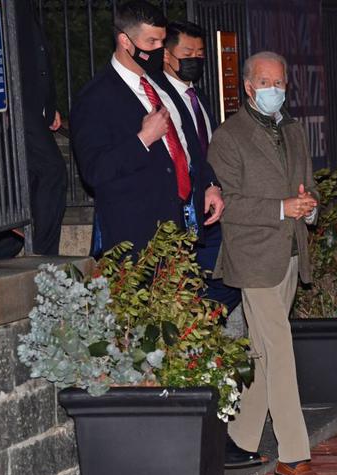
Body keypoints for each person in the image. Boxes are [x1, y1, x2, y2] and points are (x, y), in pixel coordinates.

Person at [207, 51, 325, 475]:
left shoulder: (292, 130)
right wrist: (281, 208)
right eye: (266, 82)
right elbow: (226, 204)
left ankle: (238, 439)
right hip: (253, 255)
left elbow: (307, 184)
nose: (276, 90)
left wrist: (308, 208)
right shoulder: (229, 137)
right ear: (249, 86)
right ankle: (294, 455)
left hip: (291, 252)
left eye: (282, 83)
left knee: (261, 349)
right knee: (279, 348)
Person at [69, 1, 223, 258]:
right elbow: (95, 171)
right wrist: (142, 139)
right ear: (125, 41)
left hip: (181, 229)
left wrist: (209, 184)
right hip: (136, 239)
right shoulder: (95, 98)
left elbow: (188, 143)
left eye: (162, 42)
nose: (158, 50)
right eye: (151, 42)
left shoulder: (163, 85)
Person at [151, 20, 241, 312]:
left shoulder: (197, 96)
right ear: (166, 54)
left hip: (210, 204)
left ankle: (205, 329)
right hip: (184, 209)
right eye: (187, 52)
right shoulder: (158, 96)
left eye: (200, 54)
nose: (195, 59)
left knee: (231, 281)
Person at [0, 0, 66, 262]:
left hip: (32, 107)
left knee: (30, 184)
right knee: (53, 171)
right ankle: (44, 256)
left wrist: (49, 104)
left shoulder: (23, 6)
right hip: (16, 107)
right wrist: (2, 103)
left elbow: (38, 57)